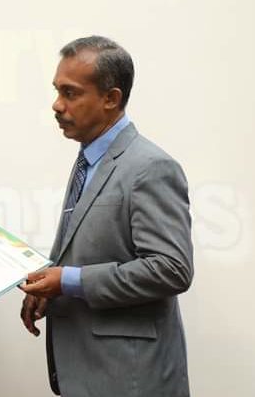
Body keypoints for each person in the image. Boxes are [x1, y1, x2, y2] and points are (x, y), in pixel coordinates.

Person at [19, 36, 193, 396]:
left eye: (70, 93)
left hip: (130, 380)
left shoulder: (151, 167)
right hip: (90, 375)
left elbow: (172, 269)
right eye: (57, 91)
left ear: (111, 98)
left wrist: (67, 281)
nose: (57, 104)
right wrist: (51, 287)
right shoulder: (89, 158)